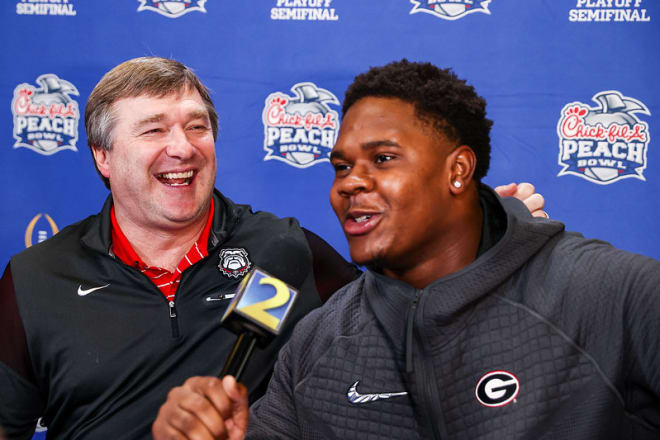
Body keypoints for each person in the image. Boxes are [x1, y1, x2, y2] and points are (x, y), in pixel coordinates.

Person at [0, 57, 543, 439]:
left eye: (197, 127)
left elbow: (405, 314)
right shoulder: (36, 277)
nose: (182, 147)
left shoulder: (281, 250)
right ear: (102, 156)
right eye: (153, 130)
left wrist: (465, 228)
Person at [153, 60, 660, 440]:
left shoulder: (613, 295)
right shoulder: (317, 340)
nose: (351, 184)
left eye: (384, 158)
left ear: (457, 171)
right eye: (342, 166)